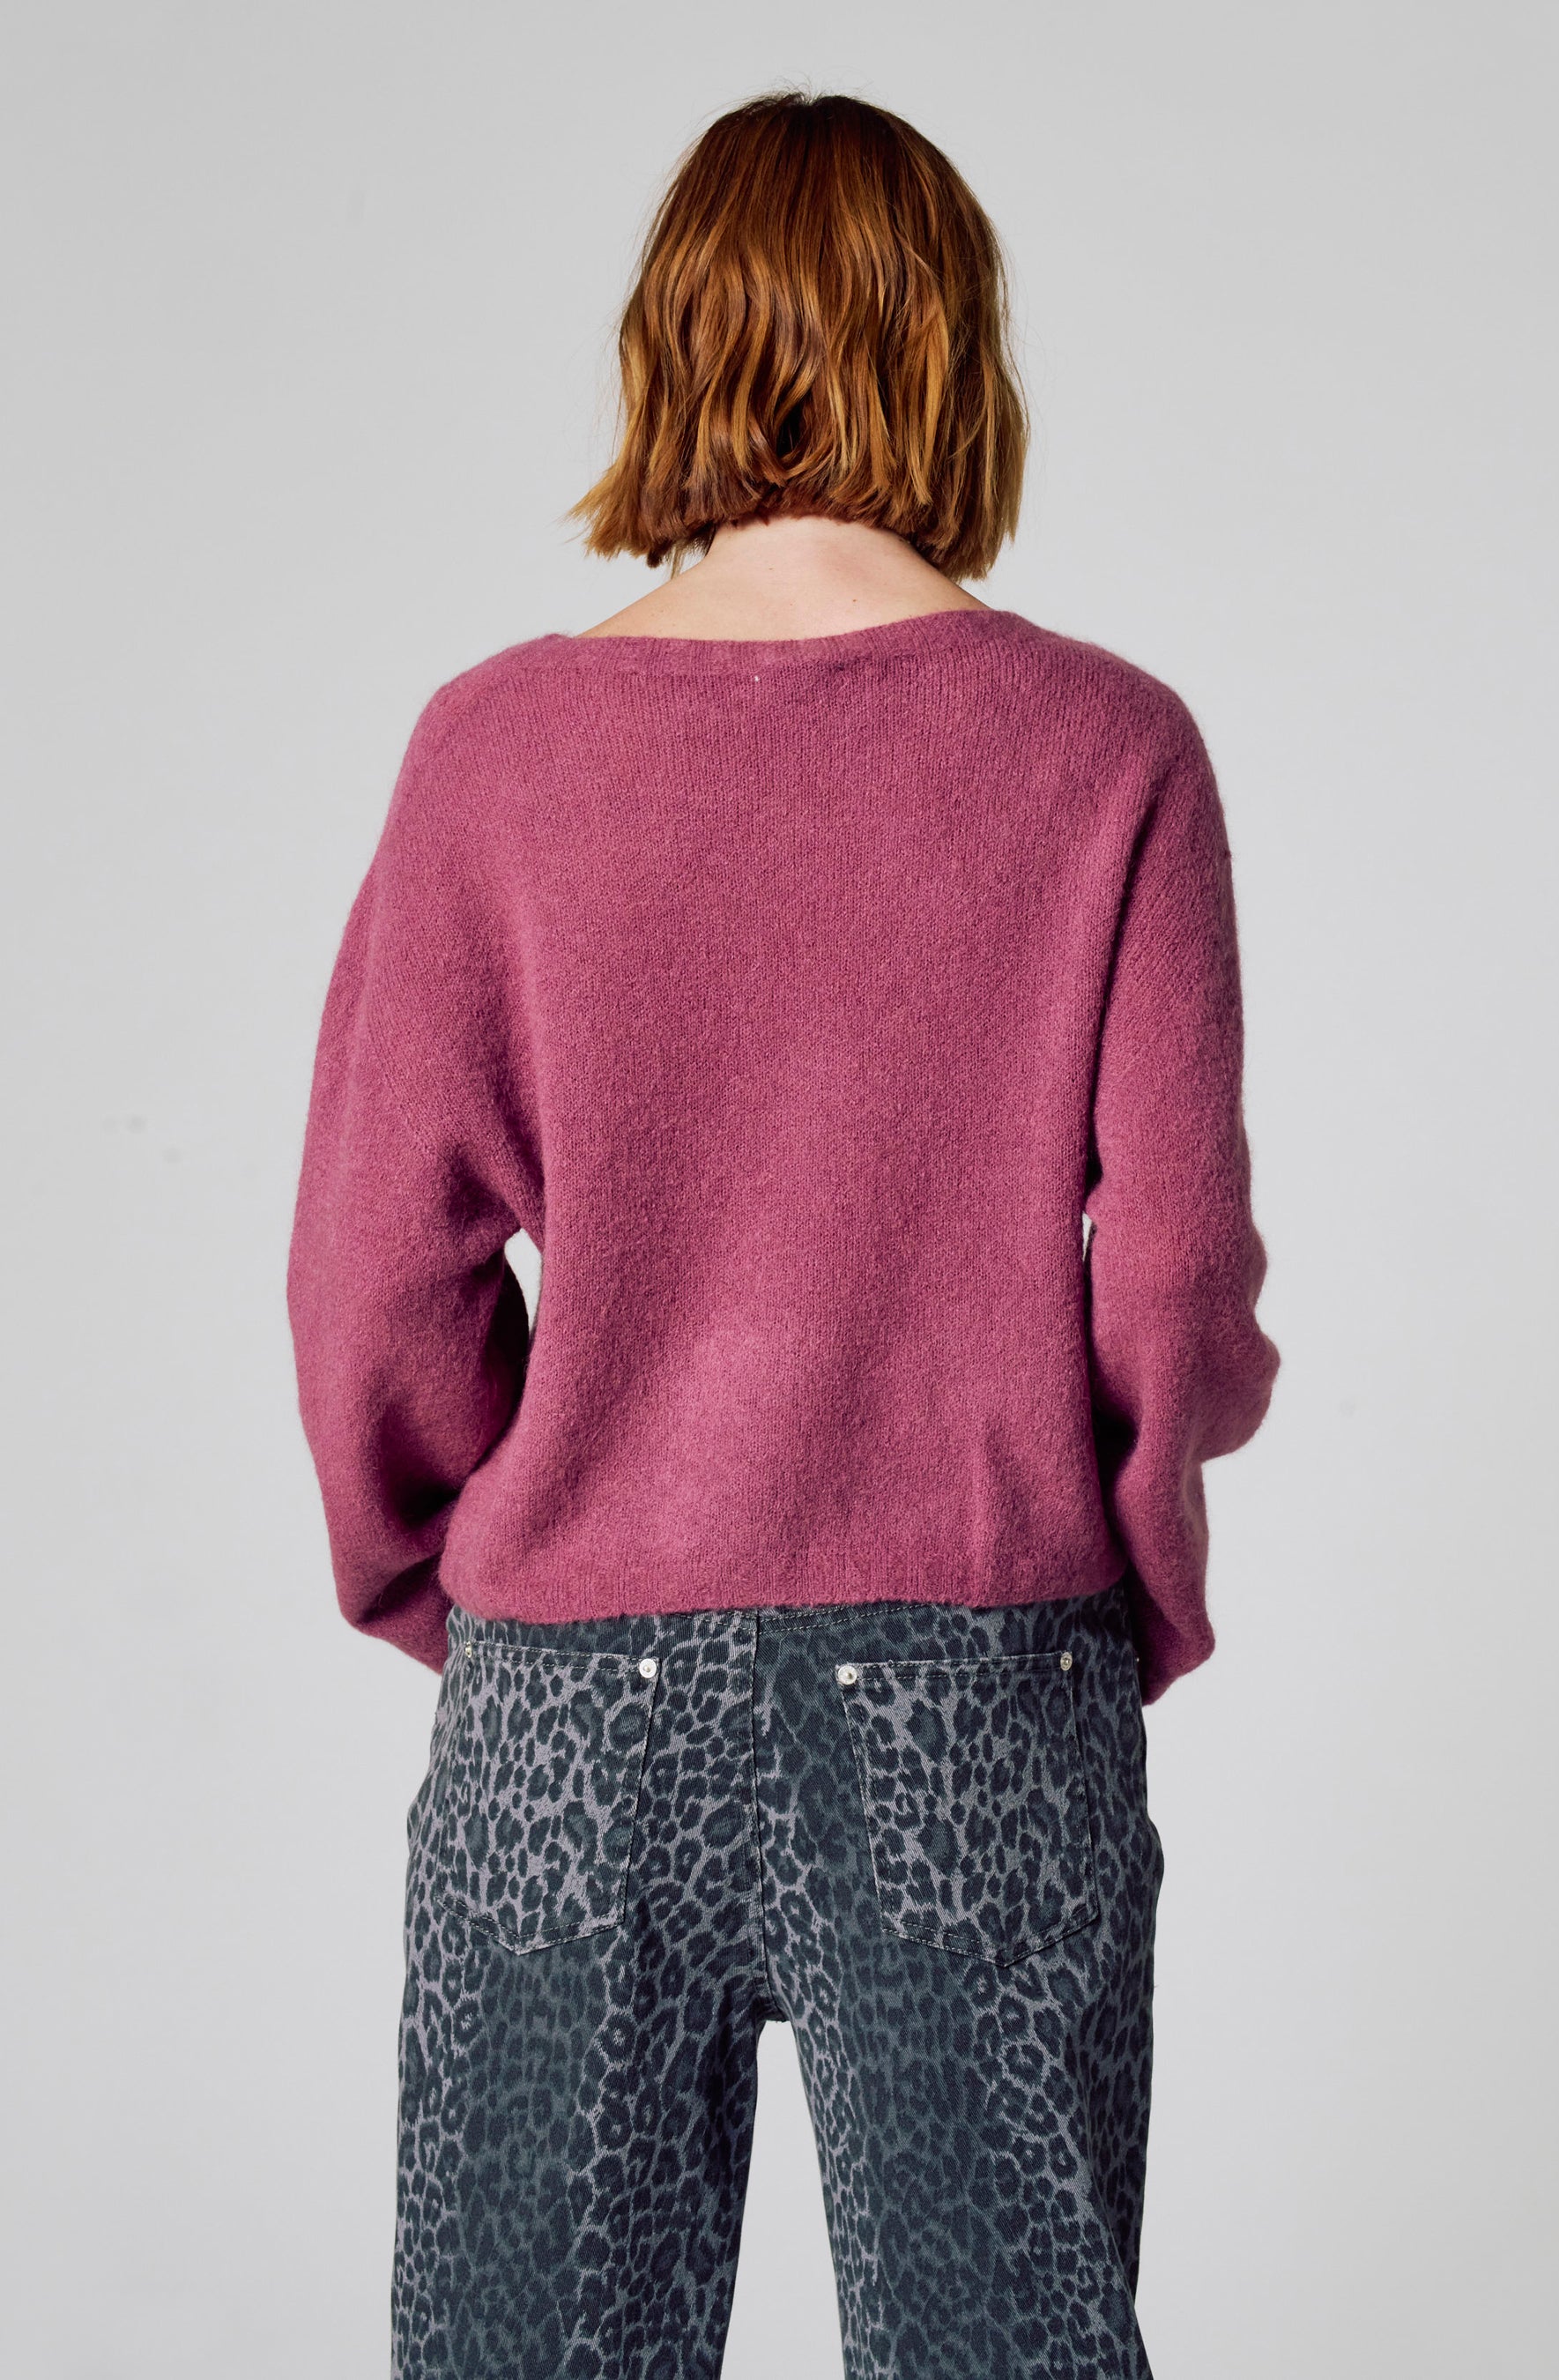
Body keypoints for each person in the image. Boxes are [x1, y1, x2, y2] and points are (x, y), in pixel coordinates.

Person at [287, 86, 1279, 2380]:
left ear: (675, 345)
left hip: (576, 1701)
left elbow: (372, 1271)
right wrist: (1112, 1554)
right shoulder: (1109, 750)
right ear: (959, 358)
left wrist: (461, 1571)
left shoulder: (495, 751)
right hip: (980, 1677)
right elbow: (1179, 1271)